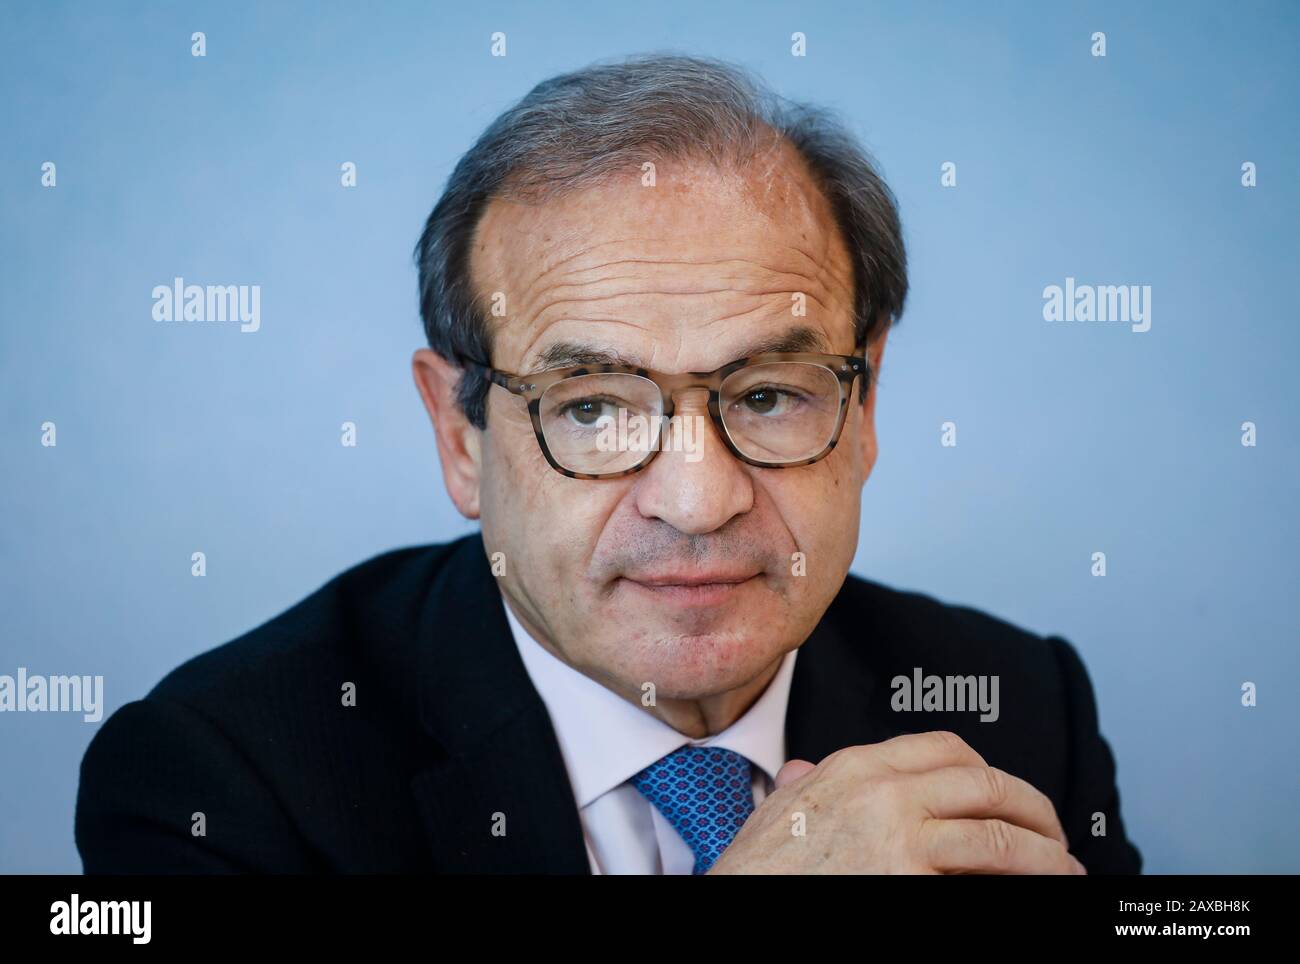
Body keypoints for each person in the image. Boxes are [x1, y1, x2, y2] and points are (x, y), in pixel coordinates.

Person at [76, 54, 1140, 875]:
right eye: (591, 408)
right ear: (462, 437)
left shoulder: (1012, 706)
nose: (698, 498)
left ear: (863, 411)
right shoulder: (219, 777)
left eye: (767, 396)